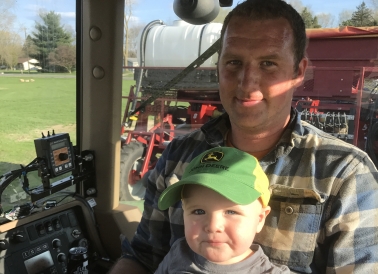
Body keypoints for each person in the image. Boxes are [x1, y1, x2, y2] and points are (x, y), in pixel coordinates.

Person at [109, 0, 378, 273]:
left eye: (268, 63)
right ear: (218, 67)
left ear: (298, 71)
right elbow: (142, 258)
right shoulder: (177, 157)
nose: (247, 82)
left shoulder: (344, 173)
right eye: (234, 62)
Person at [155, 146, 289, 273]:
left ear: (260, 219)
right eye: (198, 211)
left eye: (231, 212)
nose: (213, 226)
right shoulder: (177, 255)